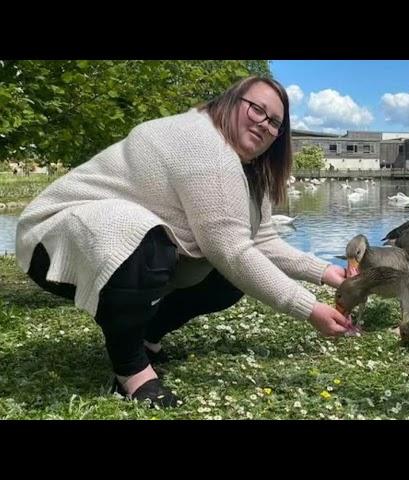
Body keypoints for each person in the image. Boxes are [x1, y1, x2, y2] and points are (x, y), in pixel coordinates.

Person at [15, 75, 351, 408]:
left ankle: (146, 336)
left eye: (275, 121)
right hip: (52, 238)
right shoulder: (205, 147)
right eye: (256, 110)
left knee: (229, 279)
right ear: (230, 103)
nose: (264, 124)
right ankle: (131, 372)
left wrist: (327, 272)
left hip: (120, 243)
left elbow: (259, 240)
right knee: (142, 238)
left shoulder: (246, 168)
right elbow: (230, 249)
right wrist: (310, 309)